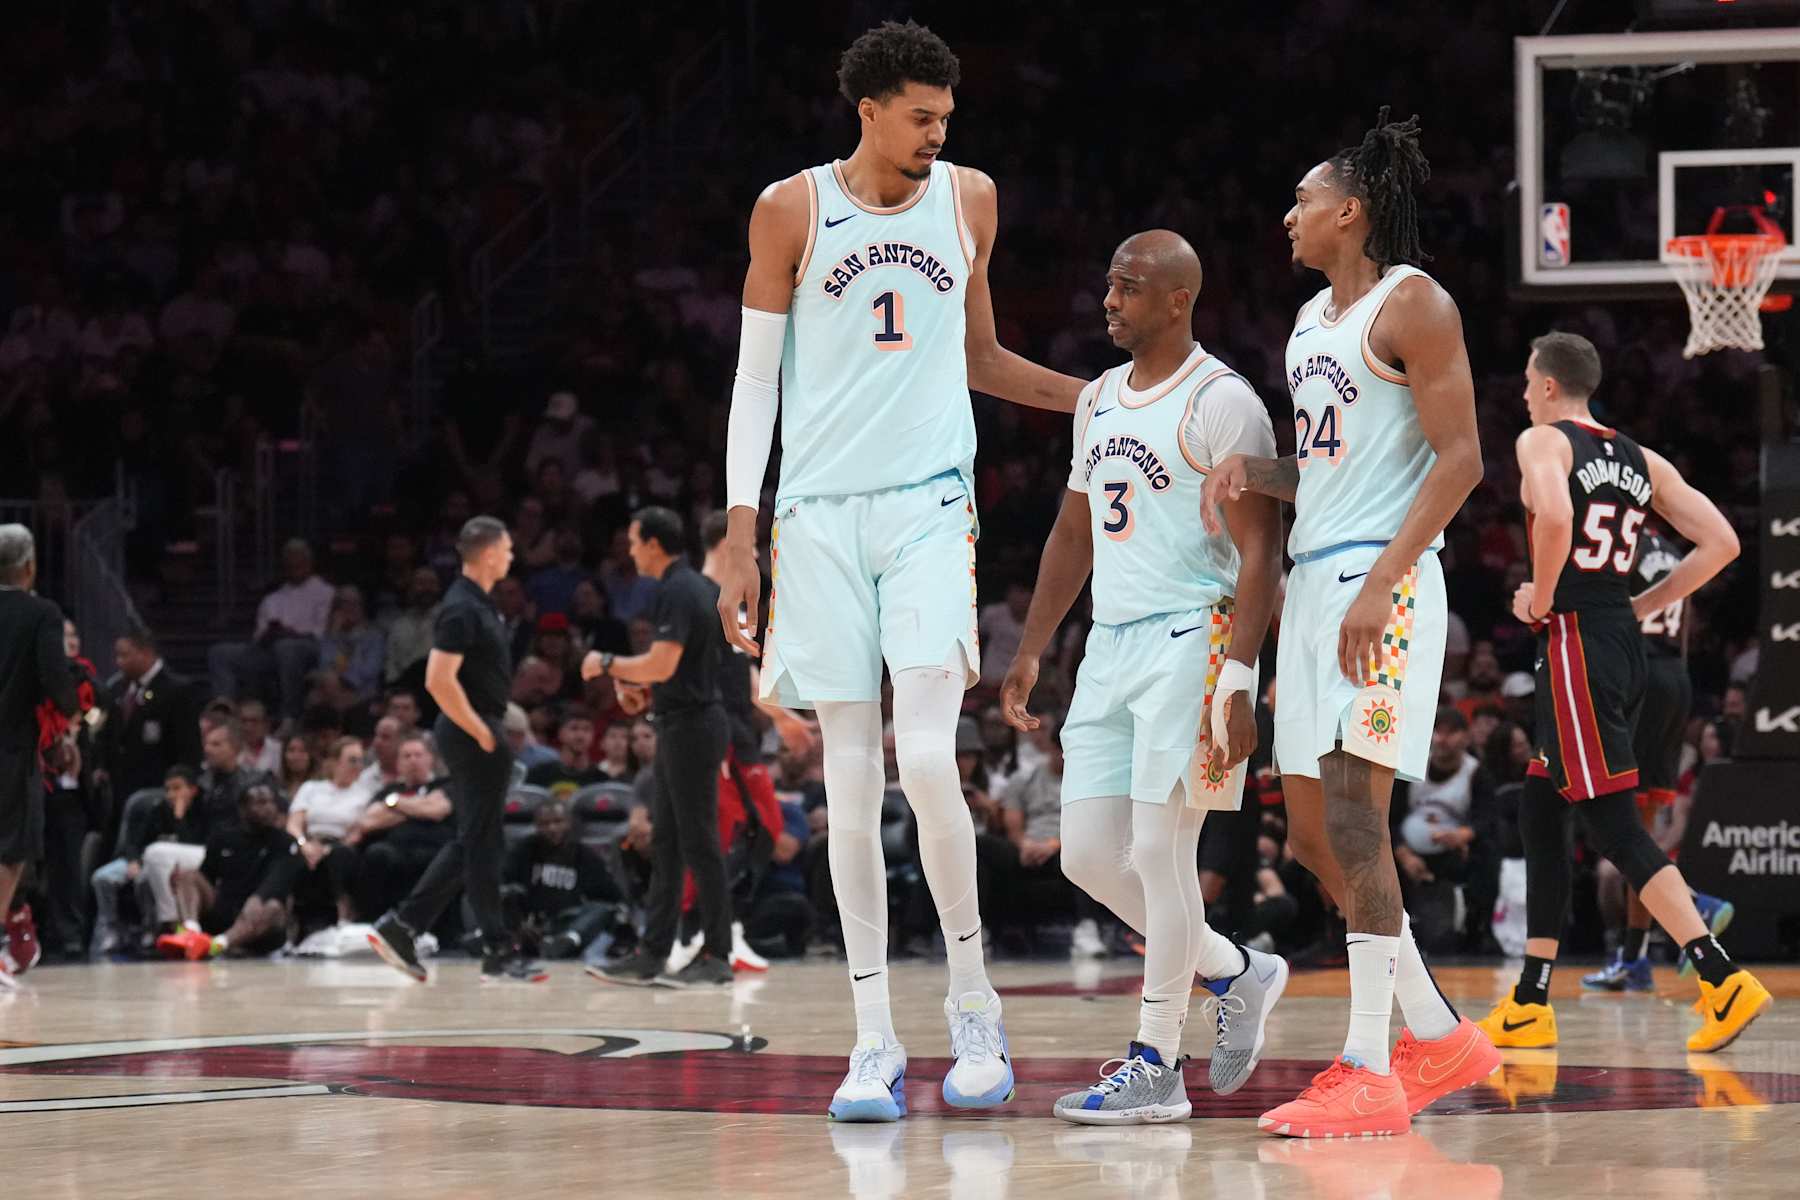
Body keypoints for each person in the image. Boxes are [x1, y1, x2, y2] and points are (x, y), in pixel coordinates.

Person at [713, 19, 1086, 1123]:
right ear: (868, 109)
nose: (938, 133)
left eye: (946, 118)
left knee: (924, 756)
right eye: (921, 115)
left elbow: (977, 358)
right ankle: (872, 1035)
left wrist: (1101, 400)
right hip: (817, 515)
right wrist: (740, 529)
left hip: (929, 505)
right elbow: (753, 384)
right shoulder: (791, 208)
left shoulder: (969, 198)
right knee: (844, 780)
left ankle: (975, 1007)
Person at [1201, 112, 1498, 1137]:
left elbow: (1460, 458)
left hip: (1385, 584)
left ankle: (1370, 1067)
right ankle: (1439, 1034)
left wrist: (1384, 578)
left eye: (1302, 199)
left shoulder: (1414, 303)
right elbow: (1330, 466)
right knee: (1316, 833)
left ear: (1351, 209)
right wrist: (1258, 471)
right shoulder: (1306, 324)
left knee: (1362, 824)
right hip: (1315, 574)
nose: (1288, 216)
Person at [1001, 231, 1288, 1122]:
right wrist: (1033, 646)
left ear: (1176, 300)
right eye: (1108, 286)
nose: (1109, 302)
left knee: (1163, 856)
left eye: (1127, 289)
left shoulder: (1221, 401)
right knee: (1089, 857)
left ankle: (1156, 1062)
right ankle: (1238, 971)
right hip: (1113, 643)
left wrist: (1239, 671)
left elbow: (1261, 551)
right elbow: (1072, 533)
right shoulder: (1098, 402)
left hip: (1192, 639)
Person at [1475, 331, 1771, 1053]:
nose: (1521, 393)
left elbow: (1552, 516)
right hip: (1616, 638)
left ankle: (1722, 976)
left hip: (1575, 638)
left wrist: (1540, 600)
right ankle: (1529, 1000)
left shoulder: (1541, 441)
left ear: (1547, 385)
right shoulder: (1642, 459)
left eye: (1525, 381)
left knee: (1612, 826)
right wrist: (1639, 607)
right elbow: (1723, 543)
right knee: (1544, 813)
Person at [368, 517, 547, 984]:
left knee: (478, 840)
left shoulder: (478, 604)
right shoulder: (460, 608)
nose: (511, 556)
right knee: (479, 839)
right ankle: (475, 943)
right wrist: (481, 731)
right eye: (507, 549)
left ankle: (417, 931)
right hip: (472, 729)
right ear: (488, 552)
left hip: (478, 726)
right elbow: (437, 681)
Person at [583, 507, 735, 988]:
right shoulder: (692, 587)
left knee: (699, 842)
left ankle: (716, 954)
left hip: (692, 727)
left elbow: (664, 663)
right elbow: (679, 669)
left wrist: (608, 663)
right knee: (668, 843)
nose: (630, 551)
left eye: (633, 542)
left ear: (652, 544)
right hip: (681, 721)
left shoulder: (677, 589)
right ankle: (653, 953)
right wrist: (644, 690)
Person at [1583, 525, 1732, 991]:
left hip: (1638, 672)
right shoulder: (1669, 549)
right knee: (1641, 824)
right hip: (1674, 676)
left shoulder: (1613, 536)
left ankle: (1692, 901)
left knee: (1609, 813)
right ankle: (1634, 957)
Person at [0, 525, 78, 986]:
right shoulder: (40, 613)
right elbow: (55, 679)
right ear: (29, 566)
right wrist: (73, 720)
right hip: (10, 747)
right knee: (11, 849)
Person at [1391, 707, 1497, 955]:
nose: (1443, 738)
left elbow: (1487, 817)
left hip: (1455, 851)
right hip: (1408, 854)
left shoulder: (1476, 773)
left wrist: (1463, 835)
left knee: (1487, 854)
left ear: (1466, 737)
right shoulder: (1411, 769)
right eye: (1438, 731)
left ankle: (1479, 930)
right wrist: (1404, 854)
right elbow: (1389, 818)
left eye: (1451, 732)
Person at [155, 783, 299, 960]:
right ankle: (191, 933)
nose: (269, 808)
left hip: (260, 921)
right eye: (260, 803)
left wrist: (258, 897)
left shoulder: (286, 842)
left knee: (271, 906)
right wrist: (179, 885)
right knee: (187, 876)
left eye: (271, 802)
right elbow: (205, 876)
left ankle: (216, 946)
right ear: (243, 808)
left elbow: (278, 881)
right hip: (226, 908)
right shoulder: (223, 837)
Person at [207, 539, 334, 719]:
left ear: (309, 562)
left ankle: (289, 716)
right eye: (290, 562)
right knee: (219, 652)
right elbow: (259, 635)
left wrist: (291, 634)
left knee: (287, 647)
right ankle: (224, 711)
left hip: (309, 650)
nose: (294, 565)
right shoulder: (273, 598)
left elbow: (321, 633)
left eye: (299, 561)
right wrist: (271, 635)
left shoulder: (325, 592)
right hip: (270, 650)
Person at [91, 764, 206, 955]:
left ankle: (151, 929)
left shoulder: (201, 811)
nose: (171, 794)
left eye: (177, 788)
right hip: (142, 859)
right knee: (101, 878)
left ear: (192, 790)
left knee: (146, 879)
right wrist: (133, 860)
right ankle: (110, 929)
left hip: (166, 865)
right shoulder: (157, 809)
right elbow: (133, 842)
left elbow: (193, 846)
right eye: (168, 789)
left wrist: (179, 817)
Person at [346, 734, 454, 927]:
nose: (413, 760)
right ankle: (369, 924)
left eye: (418, 755)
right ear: (398, 763)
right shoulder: (390, 790)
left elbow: (437, 811)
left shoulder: (445, 785)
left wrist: (394, 804)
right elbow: (368, 822)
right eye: (407, 756)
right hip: (395, 850)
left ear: (431, 759)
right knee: (376, 854)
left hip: (434, 849)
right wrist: (419, 807)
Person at [502, 799, 622, 959]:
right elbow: (505, 883)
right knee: (500, 894)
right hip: (528, 923)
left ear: (569, 823)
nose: (552, 828)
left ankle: (568, 940)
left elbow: (611, 896)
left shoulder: (584, 855)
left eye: (558, 822)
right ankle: (499, 938)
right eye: (545, 823)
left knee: (602, 909)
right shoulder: (523, 850)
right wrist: (519, 922)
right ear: (536, 826)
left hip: (566, 923)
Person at [99, 628, 203, 805]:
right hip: (119, 790)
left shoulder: (177, 691)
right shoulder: (116, 689)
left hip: (159, 791)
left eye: (124, 655)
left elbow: (188, 748)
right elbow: (106, 732)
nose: (119, 662)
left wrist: (182, 787)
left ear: (145, 654)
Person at [287, 736, 373, 927]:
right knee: (291, 857)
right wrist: (304, 844)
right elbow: (294, 824)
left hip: (342, 845)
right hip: (308, 841)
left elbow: (359, 831)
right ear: (335, 762)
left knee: (338, 856)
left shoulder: (365, 795)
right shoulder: (312, 788)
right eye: (352, 760)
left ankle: (342, 915)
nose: (358, 765)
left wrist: (328, 849)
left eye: (361, 760)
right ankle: (292, 923)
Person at [525, 702, 604, 799]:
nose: (580, 735)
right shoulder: (538, 775)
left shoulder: (602, 780)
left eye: (586, 729)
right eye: (574, 728)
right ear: (560, 734)